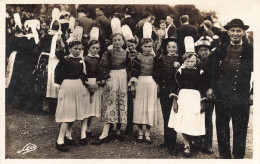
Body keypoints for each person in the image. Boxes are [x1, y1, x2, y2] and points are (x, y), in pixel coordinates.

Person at [209, 18, 253, 159]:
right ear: (228, 32)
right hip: (222, 95)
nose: (235, 33)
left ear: (243, 32)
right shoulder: (219, 50)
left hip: (241, 96)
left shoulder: (250, 51)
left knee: (240, 127)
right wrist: (210, 88)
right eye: (232, 31)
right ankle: (225, 156)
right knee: (222, 127)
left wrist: (253, 93)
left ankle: (238, 157)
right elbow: (212, 71)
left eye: (238, 31)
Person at [168, 37, 208, 157]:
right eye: (188, 61)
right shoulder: (179, 72)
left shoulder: (200, 72)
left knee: (193, 121)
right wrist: (175, 100)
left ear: (196, 61)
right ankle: (186, 144)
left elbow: (202, 87)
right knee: (184, 120)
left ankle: (192, 141)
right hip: (183, 98)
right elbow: (175, 86)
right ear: (184, 61)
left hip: (195, 98)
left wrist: (202, 101)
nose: (190, 64)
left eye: (193, 61)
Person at [93, 33, 128, 145]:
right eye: (115, 40)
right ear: (112, 41)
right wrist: (104, 78)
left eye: (119, 40)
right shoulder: (108, 53)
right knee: (110, 103)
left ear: (123, 41)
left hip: (123, 79)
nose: (117, 42)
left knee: (120, 103)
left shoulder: (127, 54)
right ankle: (105, 133)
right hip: (112, 78)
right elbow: (102, 66)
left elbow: (130, 68)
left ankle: (117, 129)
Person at [54, 40, 88, 152]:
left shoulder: (80, 61)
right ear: (70, 49)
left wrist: (83, 84)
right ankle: (60, 140)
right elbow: (57, 73)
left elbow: (83, 75)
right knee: (67, 114)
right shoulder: (65, 60)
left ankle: (68, 136)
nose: (78, 51)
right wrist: (59, 86)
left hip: (77, 86)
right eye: (75, 49)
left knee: (73, 113)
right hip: (67, 86)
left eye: (80, 49)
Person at [131, 25, 161, 144]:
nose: (148, 49)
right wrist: (133, 85)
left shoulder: (155, 58)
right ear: (141, 46)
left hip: (151, 84)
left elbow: (157, 73)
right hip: (140, 83)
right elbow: (133, 72)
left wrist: (158, 84)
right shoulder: (137, 58)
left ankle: (147, 133)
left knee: (149, 107)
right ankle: (139, 133)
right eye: (145, 46)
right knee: (140, 107)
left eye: (150, 46)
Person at [156, 37, 180, 155]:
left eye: (174, 47)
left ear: (177, 48)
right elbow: (157, 73)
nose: (171, 49)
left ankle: (172, 143)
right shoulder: (161, 59)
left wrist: (179, 66)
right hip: (165, 90)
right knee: (166, 114)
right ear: (166, 48)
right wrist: (159, 84)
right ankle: (167, 140)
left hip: (176, 91)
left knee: (173, 115)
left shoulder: (180, 59)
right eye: (169, 47)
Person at [80, 39, 102, 145]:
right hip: (87, 84)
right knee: (86, 110)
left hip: (96, 84)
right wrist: (88, 85)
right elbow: (82, 74)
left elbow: (101, 73)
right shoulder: (85, 59)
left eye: (97, 48)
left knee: (92, 110)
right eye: (93, 48)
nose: (95, 50)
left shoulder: (99, 59)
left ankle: (88, 129)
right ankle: (82, 134)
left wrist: (98, 83)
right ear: (88, 48)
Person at [194, 36, 214, 154]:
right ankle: (196, 141)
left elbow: (214, 78)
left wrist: (211, 88)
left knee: (207, 117)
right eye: (201, 50)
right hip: (196, 93)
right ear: (198, 51)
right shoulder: (195, 62)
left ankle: (207, 144)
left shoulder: (212, 63)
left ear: (209, 51)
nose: (203, 52)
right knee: (197, 116)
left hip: (208, 93)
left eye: (206, 50)